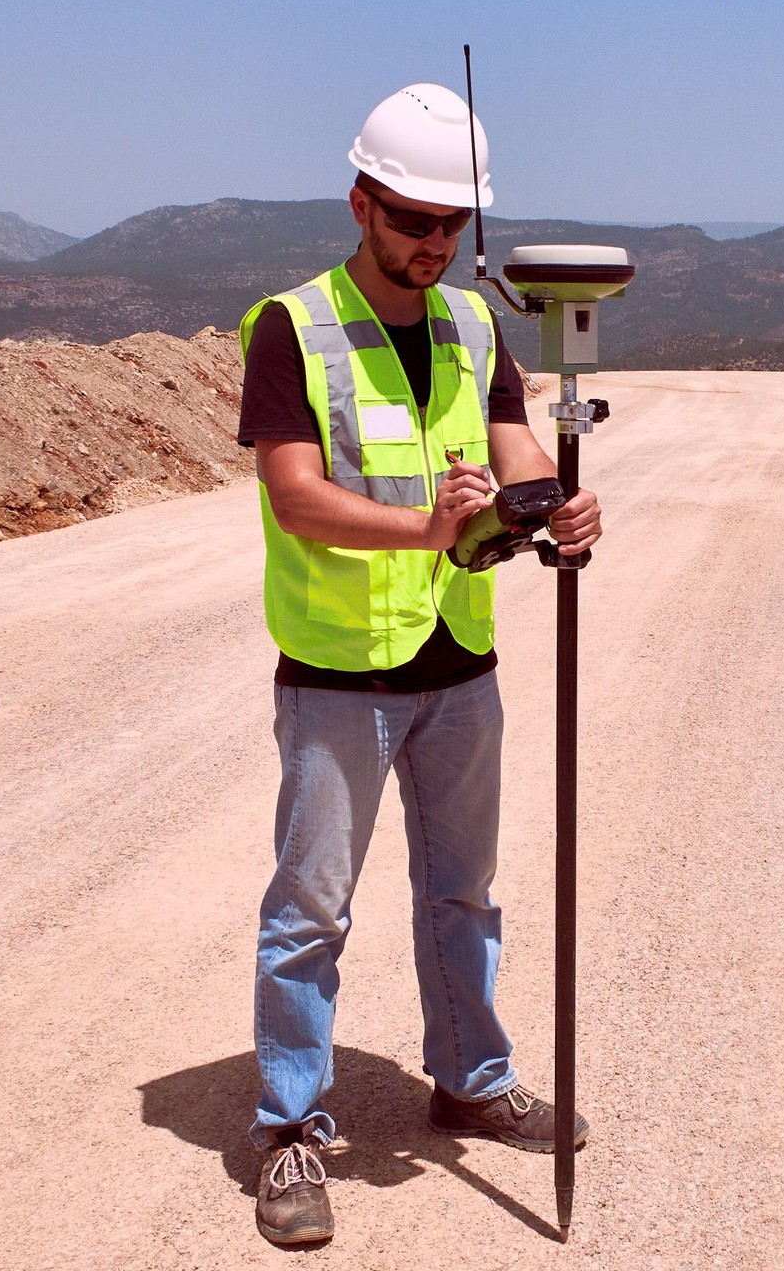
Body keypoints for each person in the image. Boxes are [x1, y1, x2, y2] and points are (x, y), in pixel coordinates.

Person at [233, 83, 599, 1248]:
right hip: (340, 672)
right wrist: (430, 532)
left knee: (463, 894)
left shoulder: (479, 327)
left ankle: (469, 1078)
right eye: (410, 218)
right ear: (360, 203)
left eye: (451, 222)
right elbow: (296, 497)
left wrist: (556, 505)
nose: (432, 241)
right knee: (309, 912)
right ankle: (291, 1125)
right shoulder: (292, 328)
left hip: (459, 661)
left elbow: (512, 447)